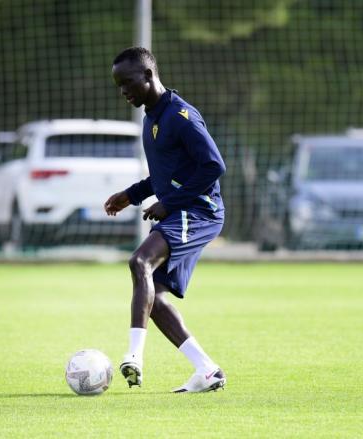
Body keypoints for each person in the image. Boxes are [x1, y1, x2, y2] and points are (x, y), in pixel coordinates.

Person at [104, 47, 227, 393]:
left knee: (139, 261)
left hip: (201, 211)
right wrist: (132, 194)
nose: (123, 91)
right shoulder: (151, 118)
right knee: (153, 298)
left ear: (147, 75)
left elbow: (214, 165)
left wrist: (168, 202)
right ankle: (207, 370)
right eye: (118, 85)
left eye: (127, 82)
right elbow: (164, 175)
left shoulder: (180, 115)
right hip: (183, 209)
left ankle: (133, 357)